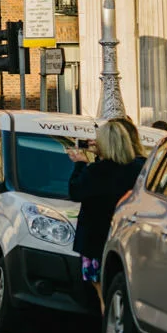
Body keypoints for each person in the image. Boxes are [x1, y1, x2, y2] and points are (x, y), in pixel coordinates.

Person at [68, 119, 145, 297]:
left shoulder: (96, 171)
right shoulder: (139, 169)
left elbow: (75, 191)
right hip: (126, 237)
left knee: (101, 292)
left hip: (94, 239)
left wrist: (80, 164)